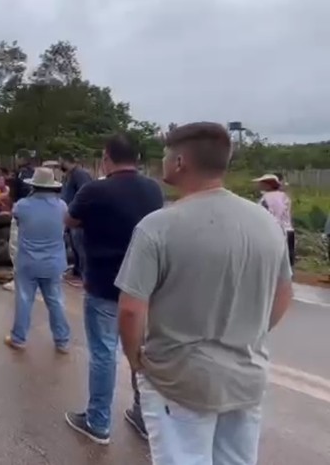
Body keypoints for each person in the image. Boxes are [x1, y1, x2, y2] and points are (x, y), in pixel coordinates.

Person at [117, 122, 294, 464]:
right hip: (246, 377)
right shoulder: (266, 225)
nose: (162, 162)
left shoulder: (158, 227)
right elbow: (283, 293)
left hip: (178, 379)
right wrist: (248, 332)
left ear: (180, 162)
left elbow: (130, 310)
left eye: (166, 156)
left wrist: (136, 359)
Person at [64, 134, 164, 444]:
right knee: (140, 350)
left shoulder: (96, 189)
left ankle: (98, 422)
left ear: (107, 158)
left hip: (105, 283)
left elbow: (70, 219)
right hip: (145, 285)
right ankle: (144, 416)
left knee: (104, 353)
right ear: (136, 158)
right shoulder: (153, 189)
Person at [4, 167, 71, 352]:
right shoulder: (62, 206)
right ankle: (62, 341)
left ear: (33, 185)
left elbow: (17, 222)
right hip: (53, 263)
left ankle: (19, 338)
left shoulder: (22, 206)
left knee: (24, 300)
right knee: (55, 301)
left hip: (28, 262)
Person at [59, 153, 93, 283]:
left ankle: (85, 276)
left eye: (61, 162)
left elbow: (85, 194)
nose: (60, 165)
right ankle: (78, 270)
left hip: (79, 218)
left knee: (80, 246)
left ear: (67, 161)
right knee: (74, 246)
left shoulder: (79, 174)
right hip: (71, 216)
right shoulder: (70, 175)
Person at [254, 173, 295, 266]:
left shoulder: (268, 197)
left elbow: (272, 214)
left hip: (275, 231)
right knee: (287, 260)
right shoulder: (284, 196)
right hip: (287, 230)